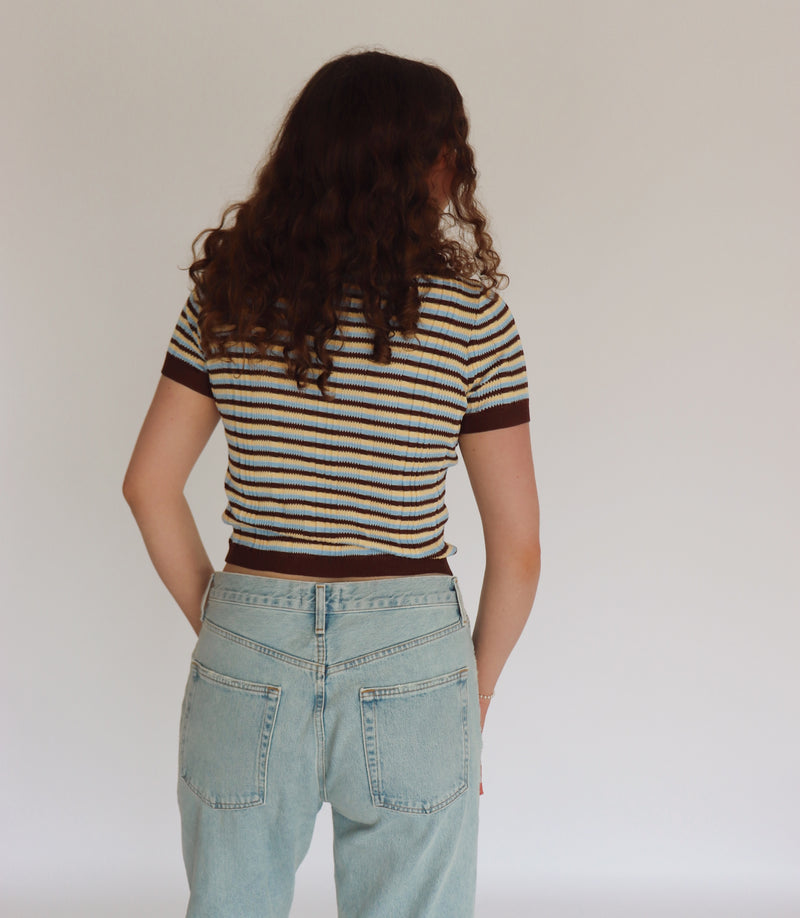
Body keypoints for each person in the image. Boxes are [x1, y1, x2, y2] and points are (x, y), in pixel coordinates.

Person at [123, 48, 541, 918]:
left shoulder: (231, 292)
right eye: (448, 150)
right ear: (429, 163)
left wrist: (228, 618)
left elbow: (148, 485)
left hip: (250, 626)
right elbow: (520, 549)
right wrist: (477, 690)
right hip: (415, 651)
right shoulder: (470, 311)